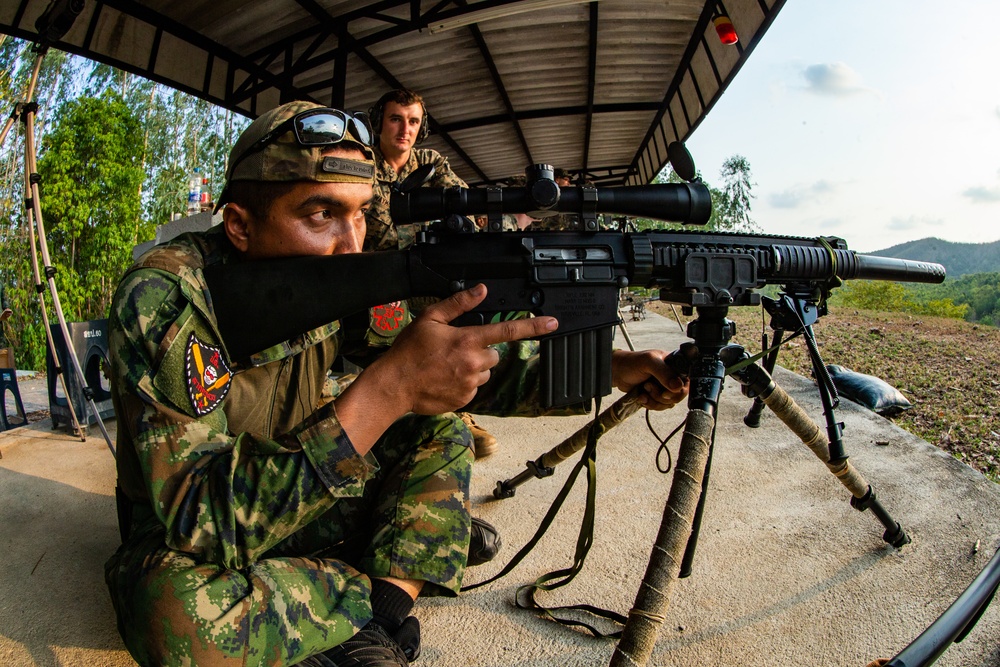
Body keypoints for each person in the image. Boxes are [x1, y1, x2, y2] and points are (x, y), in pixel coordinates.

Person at [104, 100, 688, 667]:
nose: (351, 242)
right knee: (177, 617)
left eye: (359, 213)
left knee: (442, 428)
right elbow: (203, 517)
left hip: (303, 486)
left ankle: (386, 602)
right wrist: (385, 393)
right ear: (238, 225)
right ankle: (406, 562)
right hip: (196, 526)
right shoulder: (169, 298)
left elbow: (451, 366)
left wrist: (610, 369)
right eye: (320, 215)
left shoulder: (341, 276)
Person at [364, 88, 500, 457]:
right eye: (395, 119)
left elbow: (464, 206)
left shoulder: (430, 162)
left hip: (422, 267)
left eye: (413, 121)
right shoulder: (360, 163)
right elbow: (362, 229)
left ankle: (459, 412)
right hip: (373, 276)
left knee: (460, 311)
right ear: (379, 123)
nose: (404, 129)